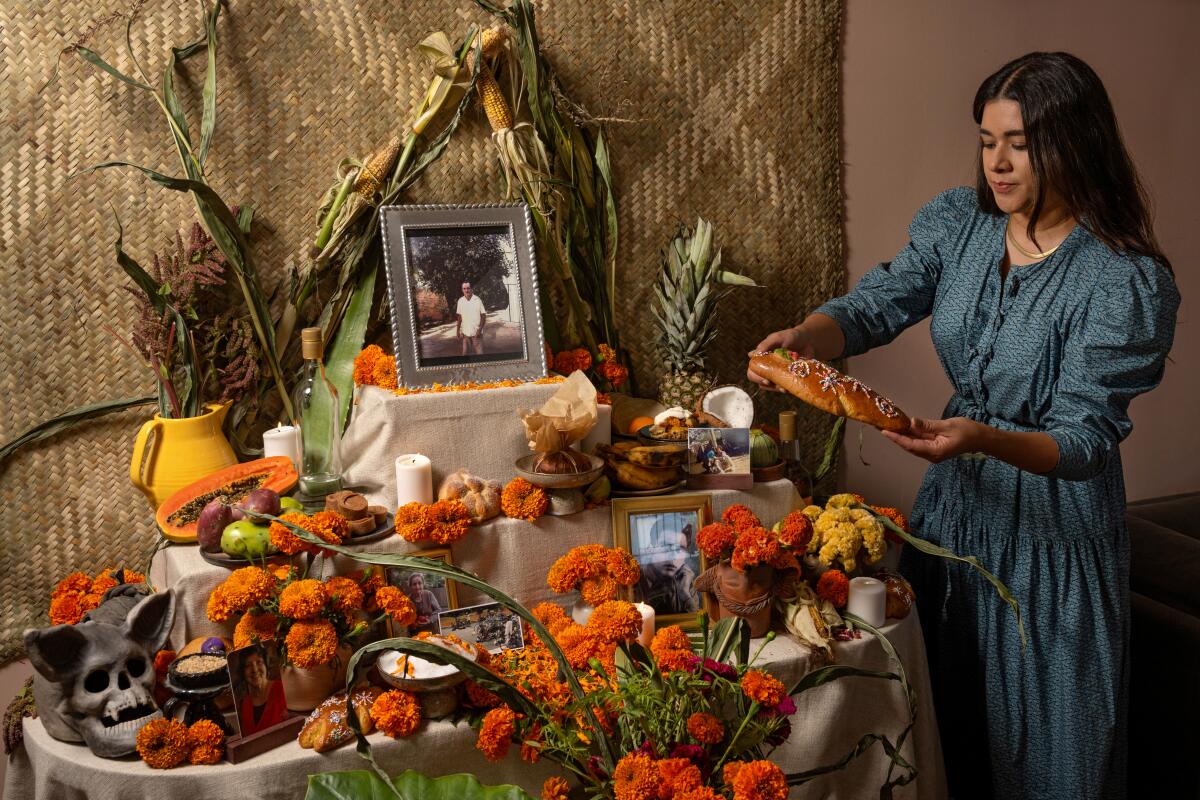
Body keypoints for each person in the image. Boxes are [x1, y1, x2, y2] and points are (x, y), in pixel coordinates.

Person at [749, 52, 1178, 800]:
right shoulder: (963, 224)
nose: (999, 163)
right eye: (987, 141)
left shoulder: (1122, 279)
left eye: (1020, 142)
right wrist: (805, 340)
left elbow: (1083, 441)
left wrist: (977, 437)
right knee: (945, 733)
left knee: (1050, 758)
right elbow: (875, 305)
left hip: (1052, 543)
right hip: (951, 525)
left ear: (1075, 143)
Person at [638, 523, 700, 615]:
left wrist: (685, 594)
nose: (673, 556)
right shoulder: (634, 581)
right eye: (665, 546)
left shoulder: (685, 581)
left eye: (680, 549)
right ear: (650, 548)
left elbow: (695, 622)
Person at [236, 647, 288, 735]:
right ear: (243, 673)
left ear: (266, 666)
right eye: (248, 665)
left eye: (259, 662)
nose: (255, 669)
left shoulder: (282, 688)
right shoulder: (244, 703)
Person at [455, 281, 487, 356]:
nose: (466, 290)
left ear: (471, 289)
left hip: (476, 334)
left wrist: (479, 330)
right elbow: (459, 317)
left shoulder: (477, 300)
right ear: (462, 290)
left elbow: (483, 316)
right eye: (464, 288)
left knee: (480, 355)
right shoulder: (460, 301)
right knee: (465, 354)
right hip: (465, 334)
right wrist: (457, 330)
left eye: (468, 288)